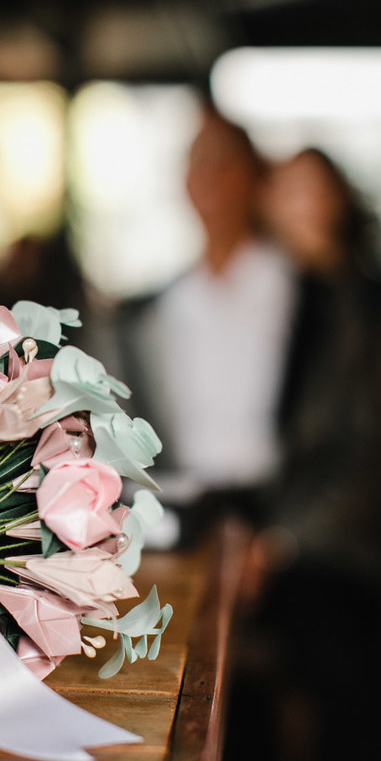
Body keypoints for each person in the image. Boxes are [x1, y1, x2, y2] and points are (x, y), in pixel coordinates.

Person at [222, 148, 381, 761]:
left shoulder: (364, 307)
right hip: (255, 538)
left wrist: (281, 541)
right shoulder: (249, 301)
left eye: (314, 191)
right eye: (287, 191)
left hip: (336, 543)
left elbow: (368, 449)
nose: (302, 207)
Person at [109, 105, 297, 544]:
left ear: (256, 177)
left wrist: (284, 537)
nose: (210, 178)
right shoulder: (149, 313)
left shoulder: (306, 299)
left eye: (224, 162)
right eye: (197, 163)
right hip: (179, 522)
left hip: (284, 529)